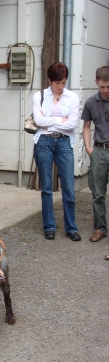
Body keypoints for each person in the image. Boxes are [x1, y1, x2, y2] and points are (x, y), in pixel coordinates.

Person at [32, 62, 81, 241]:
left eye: (63, 83)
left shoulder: (72, 97)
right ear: (49, 80)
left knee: (68, 187)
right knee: (46, 187)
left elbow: (72, 124)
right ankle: (49, 226)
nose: (60, 87)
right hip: (43, 142)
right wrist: (61, 119)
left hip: (64, 142)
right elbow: (38, 120)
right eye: (57, 83)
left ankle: (71, 227)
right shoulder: (40, 95)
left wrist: (50, 120)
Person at [82, 66, 109, 244]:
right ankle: (100, 229)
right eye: (102, 87)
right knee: (98, 194)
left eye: (108, 86)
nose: (106, 90)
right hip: (99, 150)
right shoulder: (91, 102)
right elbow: (86, 126)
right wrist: (88, 148)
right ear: (96, 83)